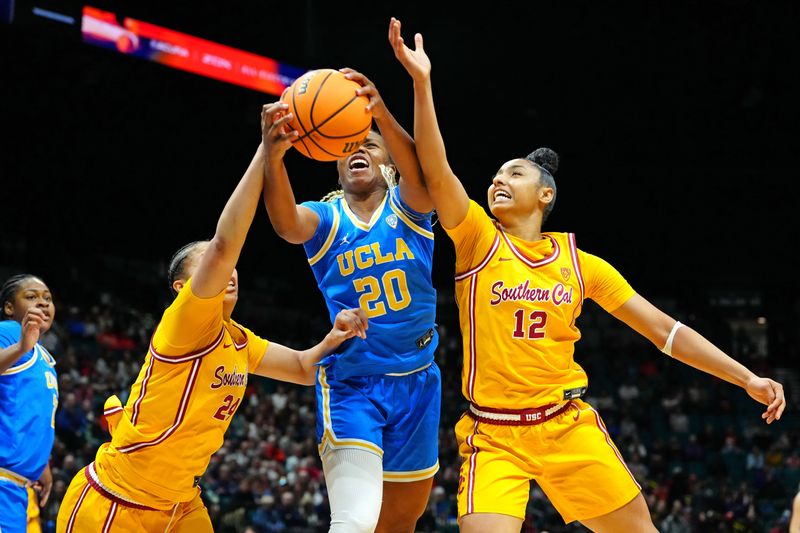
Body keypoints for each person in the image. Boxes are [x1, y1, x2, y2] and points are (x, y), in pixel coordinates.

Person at [389, 17, 787, 533]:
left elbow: (666, 332)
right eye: (496, 175)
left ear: (546, 195)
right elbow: (436, 170)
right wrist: (422, 85)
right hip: (493, 435)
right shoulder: (477, 240)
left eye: (515, 173)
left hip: (565, 427)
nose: (497, 180)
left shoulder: (583, 266)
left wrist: (746, 377)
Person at [55, 105, 368, 532]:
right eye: (209, 268)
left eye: (229, 269)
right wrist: (266, 153)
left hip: (181, 503)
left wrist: (333, 338)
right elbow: (224, 246)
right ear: (184, 290)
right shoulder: (184, 324)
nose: (229, 271)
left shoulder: (238, 340)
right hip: (118, 501)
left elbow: (299, 368)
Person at [261, 69, 439, 533]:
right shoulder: (326, 217)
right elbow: (284, 223)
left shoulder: (411, 204)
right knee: (355, 521)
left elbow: (421, 170)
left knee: (400, 521)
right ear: (335, 161)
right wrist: (273, 155)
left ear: (389, 165)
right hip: (352, 383)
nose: (358, 148)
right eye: (349, 146)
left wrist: (377, 111)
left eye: (370, 144)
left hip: (418, 382)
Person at [0, 274, 58, 533]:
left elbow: (32, 414)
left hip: (20, 488)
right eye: (32, 297)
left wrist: (41, 463)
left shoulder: (43, 356)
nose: (43, 303)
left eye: (48, 298)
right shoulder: (8, 332)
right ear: (10, 308)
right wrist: (22, 346)